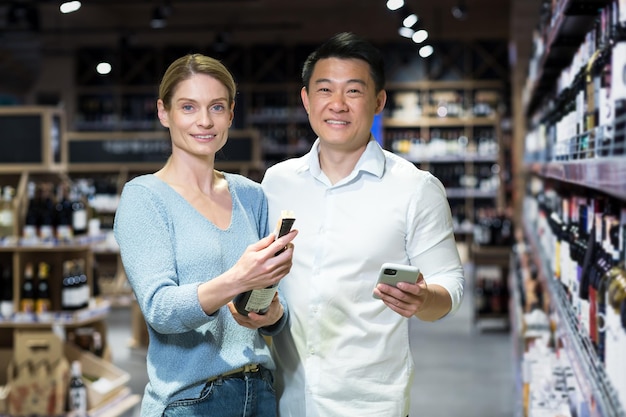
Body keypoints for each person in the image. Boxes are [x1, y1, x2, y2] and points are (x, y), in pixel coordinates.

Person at [261, 32, 465, 417]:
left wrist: (423, 300)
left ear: (378, 101)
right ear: (306, 100)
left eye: (353, 91)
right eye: (325, 89)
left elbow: (451, 286)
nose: (337, 105)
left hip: (370, 404)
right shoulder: (276, 182)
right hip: (284, 399)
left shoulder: (414, 188)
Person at [113, 53, 297, 417]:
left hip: (260, 393)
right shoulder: (144, 197)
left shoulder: (251, 194)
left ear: (230, 114)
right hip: (190, 401)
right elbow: (159, 309)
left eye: (216, 107)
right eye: (188, 107)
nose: (204, 121)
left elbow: (277, 310)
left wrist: (271, 312)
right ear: (163, 113)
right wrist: (236, 279)